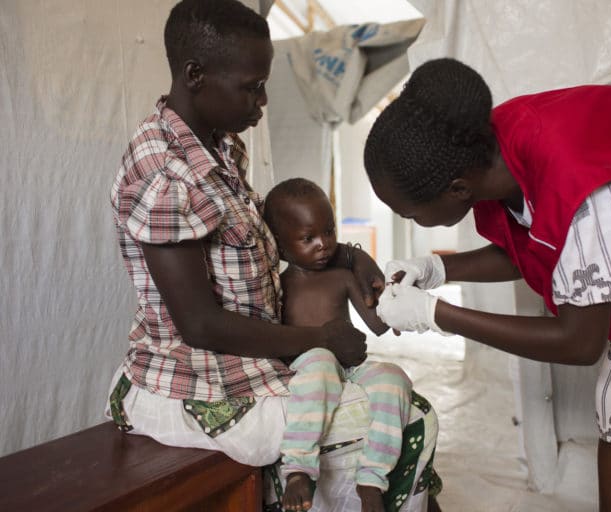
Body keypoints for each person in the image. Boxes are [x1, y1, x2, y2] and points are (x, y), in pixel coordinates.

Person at [364, 57, 611, 512]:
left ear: (458, 189)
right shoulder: (493, 149)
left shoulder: (568, 178)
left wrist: (433, 315)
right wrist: (437, 268)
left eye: (411, 213)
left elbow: (579, 342)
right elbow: (539, 245)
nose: (413, 221)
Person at [105, 1, 440, 511]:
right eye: (251, 86)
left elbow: (271, 234)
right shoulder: (165, 174)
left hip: (259, 359)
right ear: (195, 75)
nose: (262, 100)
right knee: (406, 418)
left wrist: (349, 256)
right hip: (197, 379)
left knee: (390, 397)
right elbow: (198, 325)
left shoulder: (219, 147)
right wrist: (319, 338)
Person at [263, 178, 413, 512]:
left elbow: (377, 324)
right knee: (318, 360)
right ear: (280, 245)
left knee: (394, 376)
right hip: (310, 364)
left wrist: (397, 304)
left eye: (329, 231)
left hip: (351, 366)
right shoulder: (277, 286)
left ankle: (372, 479)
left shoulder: (342, 277)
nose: (324, 244)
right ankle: (299, 470)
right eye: (308, 238)